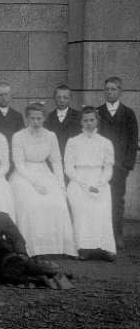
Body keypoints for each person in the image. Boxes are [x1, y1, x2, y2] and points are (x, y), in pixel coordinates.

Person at [9, 103, 76, 257]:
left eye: (39, 118)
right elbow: (19, 163)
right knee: (30, 204)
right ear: (26, 119)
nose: (35, 122)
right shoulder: (18, 136)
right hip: (24, 174)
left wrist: (61, 184)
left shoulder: (51, 136)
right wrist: (34, 184)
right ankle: (32, 247)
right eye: (32, 118)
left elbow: (56, 161)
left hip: (45, 172)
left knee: (58, 203)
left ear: (44, 118)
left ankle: (54, 247)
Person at [65, 107, 116, 261]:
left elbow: (108, 167)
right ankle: (84, 247)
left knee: (101, 210)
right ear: (81, 122)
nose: (88, 123)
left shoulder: (106, 142)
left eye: (92, 120)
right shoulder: (73, 142)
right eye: (85, 120)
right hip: (78, 181)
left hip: (99, 180)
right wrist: (84, 184)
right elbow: (68, 168)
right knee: (83, 210)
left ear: (97, 121)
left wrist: (101, 183)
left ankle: (103, 247)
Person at [97, 77, 138, 250]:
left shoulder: (128, 113)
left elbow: (133, 141)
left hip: (120, 167)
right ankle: (100, 236)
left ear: (120, 91)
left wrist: (127, 165)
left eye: (113, 89)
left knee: (117, 201)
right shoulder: (98, 112)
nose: (110, 92)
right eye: (107, 89)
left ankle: (117, 234)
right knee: (100, 200)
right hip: (100, 167)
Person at [44, 84, 82, 158]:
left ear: (70, 98)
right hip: (53, 159)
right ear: (54, 98)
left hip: (73, 158)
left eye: (65, 97)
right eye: (59, 97)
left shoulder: (79, 117)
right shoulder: (47, 118)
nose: (62, 100)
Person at [0, 81, 25, 149]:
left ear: (11, 96)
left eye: (6, 94)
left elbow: (22, 138)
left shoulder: (18, 116)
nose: (4, 98)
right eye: (0, 95)